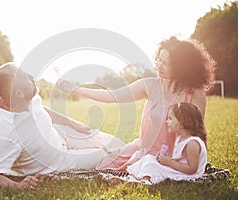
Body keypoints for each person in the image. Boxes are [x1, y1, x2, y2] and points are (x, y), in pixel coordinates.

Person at [57, 36, 215, 170]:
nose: (159, 66)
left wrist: (194, 163)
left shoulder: (195, 93)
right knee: (105, 164)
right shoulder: (150, 85)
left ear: (181, 67)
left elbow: (197, 134)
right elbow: (112, 96)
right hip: (144, 150)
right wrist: (77, 89)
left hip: (174, 158)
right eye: (159, 60)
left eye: (166, 63)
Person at [0, 62, 125, 189]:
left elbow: (40, 109)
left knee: (119, 144)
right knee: (115, 157)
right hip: (61, 162)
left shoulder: (24, 95)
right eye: (25, 77)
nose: (31, 77)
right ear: (18, 93)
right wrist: (18, 186)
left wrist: (74, 124)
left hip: (61, 136)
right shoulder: (2, 133)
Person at [127, 102, 207, 184]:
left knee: (152, 164)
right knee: (149, 158)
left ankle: (145, 180)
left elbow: (192, 169)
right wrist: (165, 159)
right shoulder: (180, 138)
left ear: (182, 123)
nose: (166, 121)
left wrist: (170, 162)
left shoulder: (192, 143)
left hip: (188, 175)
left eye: (170, 118)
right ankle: (142, 177)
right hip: (179, 170)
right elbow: (180, 160)